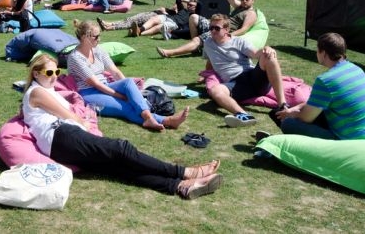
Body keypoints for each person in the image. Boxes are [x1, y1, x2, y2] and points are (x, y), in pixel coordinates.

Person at [22, 54, 222, 199]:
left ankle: (179, 186)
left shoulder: (47, 90)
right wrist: (83, 122)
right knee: (121, 148)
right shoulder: (37, 92)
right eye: (49, 72)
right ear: (36, 73)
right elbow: (67, 115)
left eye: (57, 71)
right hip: (61, 135)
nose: (55, 76)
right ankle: (184, 172)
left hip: (60, 144)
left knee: (118, 168)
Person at [67, 20, 189, 131]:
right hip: (89, 93)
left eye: (100, 35)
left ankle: (148, 117)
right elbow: (96, 84)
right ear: (84, 37)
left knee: (128, 83)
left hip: (106, 85)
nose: (99, 39)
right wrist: (121, 95)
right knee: (124, 107)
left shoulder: (98, 49)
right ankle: (167, 120)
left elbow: (115, 71)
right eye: (96, 36)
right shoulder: (76, 58)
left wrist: (129, 91)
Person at [272, 32, 365, 140]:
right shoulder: (355, 69)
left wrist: (290, 114)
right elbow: (323, 103)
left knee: (288, 123)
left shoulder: (325, 81)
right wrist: (297, 107)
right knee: (312, 112)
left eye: (317, 50)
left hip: (354, 141)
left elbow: (306, 118)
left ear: (323, 53)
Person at [201, 13, 287, 127]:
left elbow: (255, 54)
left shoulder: (239, 41)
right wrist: (206, 75)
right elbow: (211, 60)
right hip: (235, 84)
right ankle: (244, 116)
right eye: (211, 28)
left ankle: (282, 105)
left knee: (269, 56)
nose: (213, 31)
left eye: (217, 28)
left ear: (227, 29)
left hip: (252, 77)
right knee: (215, 91)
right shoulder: (208, 43)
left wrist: (267, 49)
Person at [157, 0, 258, 58]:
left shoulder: (251, 13)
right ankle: (195, 48)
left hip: (220, 30)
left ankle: (169, 52)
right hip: (215, 24)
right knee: (193, 17)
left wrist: (228, 35)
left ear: (252, 0)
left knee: (197, 39)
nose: (244, 1)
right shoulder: (239, 7)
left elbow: (243, 30)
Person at [133, 0, 204, 39]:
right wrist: (190, 1)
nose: (189, 6)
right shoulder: (182, 9)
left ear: (196, 7)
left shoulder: (195, 15)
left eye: (191, 5)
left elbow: (200, 4)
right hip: (168, 17)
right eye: (188, 5)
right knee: (154, 19)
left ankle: (139, 33)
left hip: (175, 24)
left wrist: (194, 2)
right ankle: (140, 29)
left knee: (159, 27)